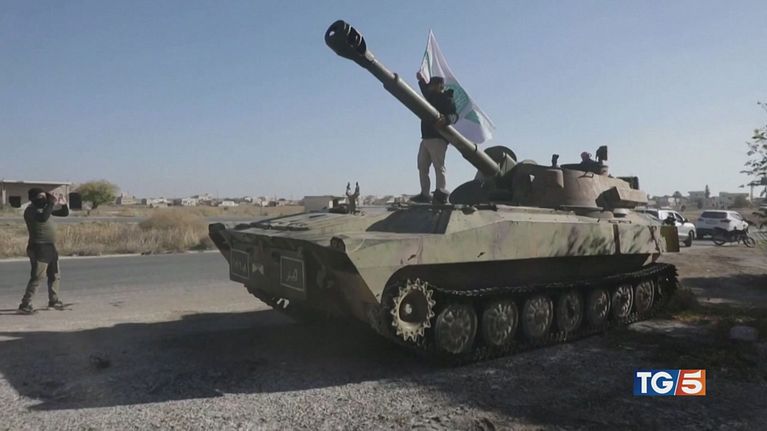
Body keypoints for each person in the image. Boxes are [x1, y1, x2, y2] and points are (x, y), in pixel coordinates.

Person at [18, 188, 69, 313]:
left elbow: (64, 213)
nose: (44, 199)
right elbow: (43, 218)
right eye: (41, 196)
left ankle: (54, 300)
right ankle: (25, 304)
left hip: (50, 247)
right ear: (33, 198)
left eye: (45, 196)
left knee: (55, 275)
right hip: (38, 247)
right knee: (38, 277)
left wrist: (63, 204)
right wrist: (51, 203)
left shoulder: (45, 209)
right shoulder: (30, 210)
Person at [411, 73, 458, 204]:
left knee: (438, 166)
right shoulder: (430, 96)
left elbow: (454, 116)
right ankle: (425, 194)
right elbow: (424, 90)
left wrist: (446, 120)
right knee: (422, 166)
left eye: (432, 85)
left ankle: (440, 194)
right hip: (426, 137)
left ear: (439, 86)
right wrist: (421, 80)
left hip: (438, 137)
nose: (430, 88)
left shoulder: (447, 99)